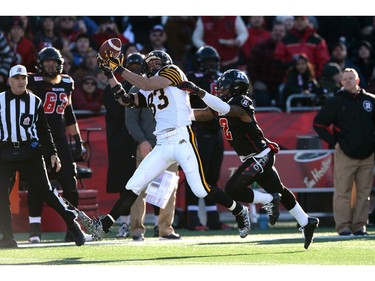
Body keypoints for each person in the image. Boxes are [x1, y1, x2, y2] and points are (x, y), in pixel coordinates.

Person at [80, 49, 251, 241]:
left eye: (157, 61)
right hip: (161, 143)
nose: (154, 64)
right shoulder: (146, 87)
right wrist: (109, 74)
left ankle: (239, 210)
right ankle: (102, 227)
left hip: (181, 138)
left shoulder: (172, 71)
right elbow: (125, 100)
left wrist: (118, 67)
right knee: (133, 185)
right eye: (150, 62)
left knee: (200, 189)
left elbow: (147, 83)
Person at [177, 69, 319, 249]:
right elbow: (204, 114)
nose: (220, 88)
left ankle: (267, 200)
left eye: (225, 85)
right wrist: (178, 114)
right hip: (256, 157)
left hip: (259, 156)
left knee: (232, 189)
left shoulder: (240, 102)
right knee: (279, 190)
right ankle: (306, 221)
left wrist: (198, 91)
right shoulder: (225, 103)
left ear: (235, 88)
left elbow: (227, 110)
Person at [0, 65, 86, 248]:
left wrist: (53, 153)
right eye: (17, 78)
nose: (21, 81)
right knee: (1, 196)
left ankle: (73, 225)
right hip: (5, 152)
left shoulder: (35, 101)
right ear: (10, 81)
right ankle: (8, 238)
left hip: (30, 152)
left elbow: (44, 130)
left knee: (47, 192)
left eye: (23, 78)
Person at [25, 46, 86, 243]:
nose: (50, 67)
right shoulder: (31, 81)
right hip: (37, 139)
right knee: (36, 185)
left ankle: (72, 229)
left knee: (70, 184)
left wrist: (78, 140)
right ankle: (34, 231)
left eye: (53, 63)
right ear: (40, 65)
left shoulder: (67, 82)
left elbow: (69, 114)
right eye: (47, 63)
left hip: (59, 140)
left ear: (60, 64)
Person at [313, 68, 375, 236]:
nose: (347, 81)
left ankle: (360, 226)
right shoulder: (335, 101)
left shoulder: (370, 100)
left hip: (368, 154)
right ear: (341, 82)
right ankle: (343, 226)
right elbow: (319, 124)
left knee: (364, 193)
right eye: (344, 79)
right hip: (345, 153)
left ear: (357, 81)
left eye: (350, 78)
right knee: (343, 192)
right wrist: (334, 142)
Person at [185, 45, 231, 231]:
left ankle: (213, 219)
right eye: (207, 62)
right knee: (196, 175)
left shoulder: (221, 77)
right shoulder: (193, 78)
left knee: (212, 176)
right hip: (200, 130)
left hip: (216, 131)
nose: (211, 65)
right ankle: (192, 219)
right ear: (199, 63)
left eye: (213, 61)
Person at [126, 85, 180, 240]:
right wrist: (141, 140)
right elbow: (131, 119)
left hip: (169, 144)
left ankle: (165, 230)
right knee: (138, 189)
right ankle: (136, 230)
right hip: (148, 145)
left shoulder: (173, 88)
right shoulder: (138, 89)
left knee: (167, 189)